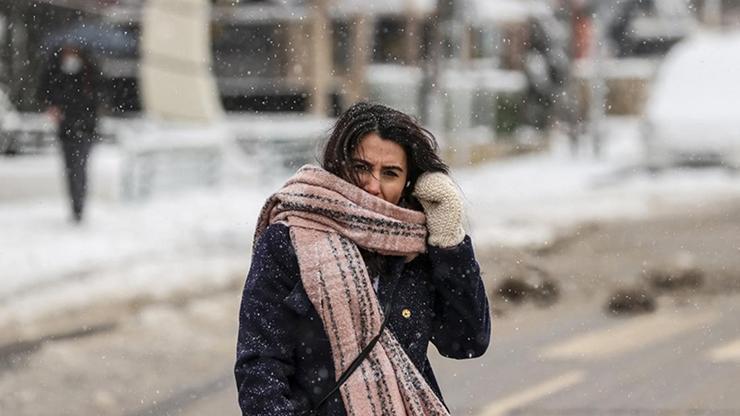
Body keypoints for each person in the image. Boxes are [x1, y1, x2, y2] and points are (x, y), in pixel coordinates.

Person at [235, 102, 491, 415]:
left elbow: (466, 341)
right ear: (337, 165)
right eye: (361, 167)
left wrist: (449, 240)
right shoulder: (289, 240)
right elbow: (260, 366)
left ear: (408, 182)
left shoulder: (415, 249)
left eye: (390, 173)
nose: (373, 185)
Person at [39, 44, 102, 223]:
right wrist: (52, 107)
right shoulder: (56, 72)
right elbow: (46, 93)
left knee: (79, 167)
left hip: (85, 129)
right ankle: (76, 204)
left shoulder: (90, 72)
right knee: (71, 169)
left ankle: (79, 204)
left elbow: (98, 97)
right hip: (67, 130)